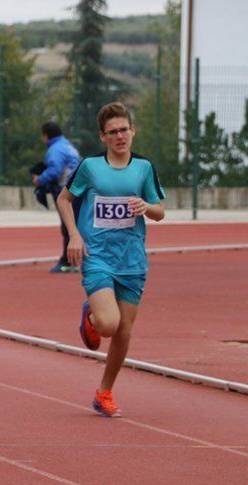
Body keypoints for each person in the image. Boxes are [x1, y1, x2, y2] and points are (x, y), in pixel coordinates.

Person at [56, 102, 165, 418]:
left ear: (133, 131)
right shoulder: (90, 167)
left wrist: (146, 206)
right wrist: (75, 235)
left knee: (124, 332)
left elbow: (160, 211)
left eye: (124, 130)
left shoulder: (143, 168)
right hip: (97, 256)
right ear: (103, 136)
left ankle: (104, 392)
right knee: (108, 324)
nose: (120, 136)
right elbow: (65, 199)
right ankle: (92, 316)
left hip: (132, 261)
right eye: (113, 132)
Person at [34, 121, 82, 273]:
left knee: (68, 225)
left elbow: (55, 170)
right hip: (79, 188)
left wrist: (39, 179)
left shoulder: (55, 150)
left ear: (46, 136)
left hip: (67, 191)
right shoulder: (69, 146)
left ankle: (69, 261)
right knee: (77, 224)